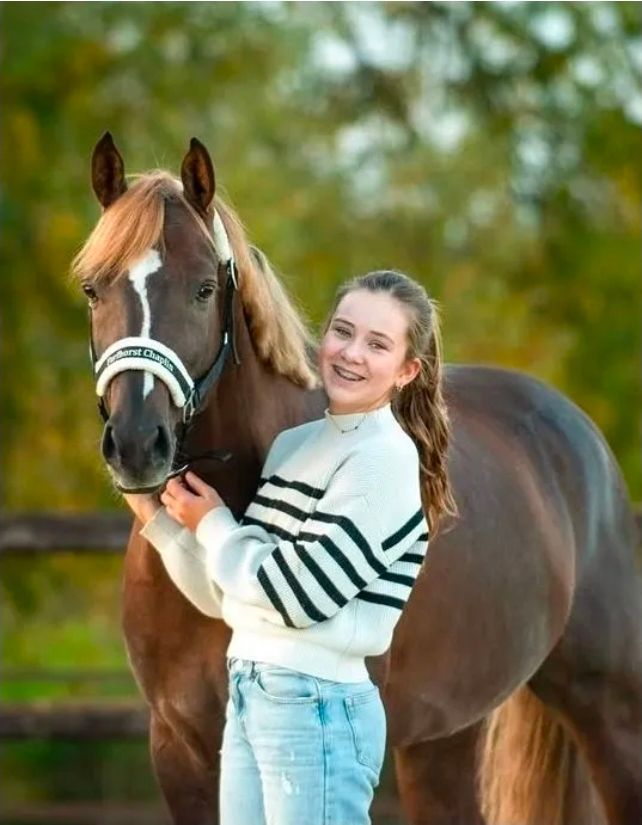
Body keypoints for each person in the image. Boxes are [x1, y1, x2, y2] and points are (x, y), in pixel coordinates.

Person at [124, 269, 455, 825]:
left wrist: (213, 524)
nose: (351, 354)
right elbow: (229, 597)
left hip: (318, 704)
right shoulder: (295, 447)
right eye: (343, 332)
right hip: (252, 688)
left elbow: (298, 596)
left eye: (377, 345)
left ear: (407, 370)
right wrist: (158, 521)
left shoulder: (384, 460)